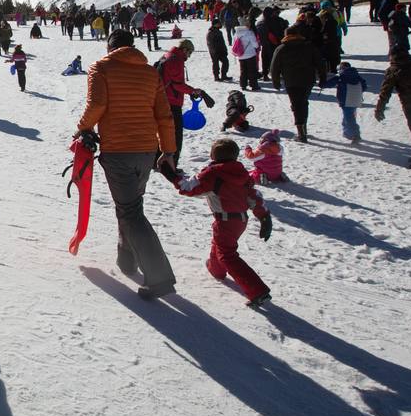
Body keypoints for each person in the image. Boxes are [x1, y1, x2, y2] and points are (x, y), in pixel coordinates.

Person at [75, 29, 179, 299]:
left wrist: (81, 128)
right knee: (131, 205)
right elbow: (164, 115)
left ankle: (160, 277)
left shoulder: (102, 68)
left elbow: (97, 104)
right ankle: (127, 259)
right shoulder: (149, 72)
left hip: (118, 149)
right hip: (146, 150)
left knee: (130, 211)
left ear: (110, 48)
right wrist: (168, 151)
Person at [175, 138, 274, 308]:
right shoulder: (242, 174)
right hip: (240, 220)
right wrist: (264, 217)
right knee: (221, 245)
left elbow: (189, 188)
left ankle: (258, 290)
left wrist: (171, 174)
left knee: (228, 254)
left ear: (213, 155)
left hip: (226, 220)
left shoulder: (213, 174)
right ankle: (216, 270)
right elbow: (254, 197)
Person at [268, 24, 326, 143]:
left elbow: (274, 67)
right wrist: (322, 78)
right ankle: (303, 128)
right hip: (308, 80)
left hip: (291, 81)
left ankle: (301, 133)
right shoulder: (309, 46)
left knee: (296, 104)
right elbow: (320, 63)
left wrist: (276, 82)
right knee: (303, 103)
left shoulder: (281, 48)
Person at [334, 61, 367, 144]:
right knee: (348, 116)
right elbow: (364, 86)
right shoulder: (358, 76)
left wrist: (322, 84)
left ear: (342, 69)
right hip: (355, 99)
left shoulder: (341, 77)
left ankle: (355, 135)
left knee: (349, 118)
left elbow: (330, 83)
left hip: (345, 100)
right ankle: (347, 133)